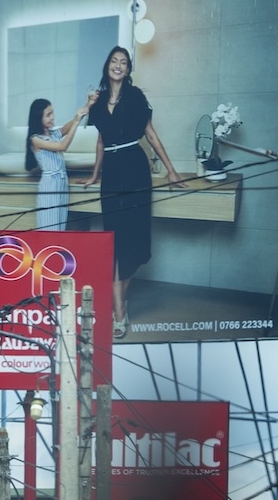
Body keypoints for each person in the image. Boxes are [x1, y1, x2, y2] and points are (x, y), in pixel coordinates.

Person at [79, 44, 184, 333]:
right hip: (112, 174)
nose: (118, 65)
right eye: (114, 60)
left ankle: (118, 304)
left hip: (136, 170)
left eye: (123, 62)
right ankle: (119, 309)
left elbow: (151, 135)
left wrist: (171, 170)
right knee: (113, 238)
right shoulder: (98, 102)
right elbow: (101, 142)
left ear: (128, 69)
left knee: (133, 239)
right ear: (107, 66)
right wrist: (95, 175)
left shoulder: (136, 97)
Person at [25, 96, 90, 232]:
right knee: (49, 227)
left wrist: (88, 104)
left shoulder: (54, 134)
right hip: (49, 185)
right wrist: (76, 123)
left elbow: (71, 123)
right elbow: (62, 146)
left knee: (60, 226)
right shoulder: (36, 139)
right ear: (38, 118)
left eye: (52, 112)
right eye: (48, 115)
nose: (52, 117)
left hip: (61, 183)